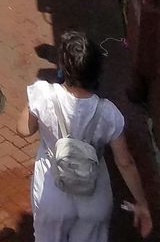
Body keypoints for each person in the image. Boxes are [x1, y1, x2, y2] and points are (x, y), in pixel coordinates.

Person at [18, 29, 152, 242]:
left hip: (52, 197)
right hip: (94, 200)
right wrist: (142, 204)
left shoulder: (43, 94)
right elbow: (125, 163)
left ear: (63, 67)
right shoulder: (108, 113)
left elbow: (23, 130)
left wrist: (33, 101)